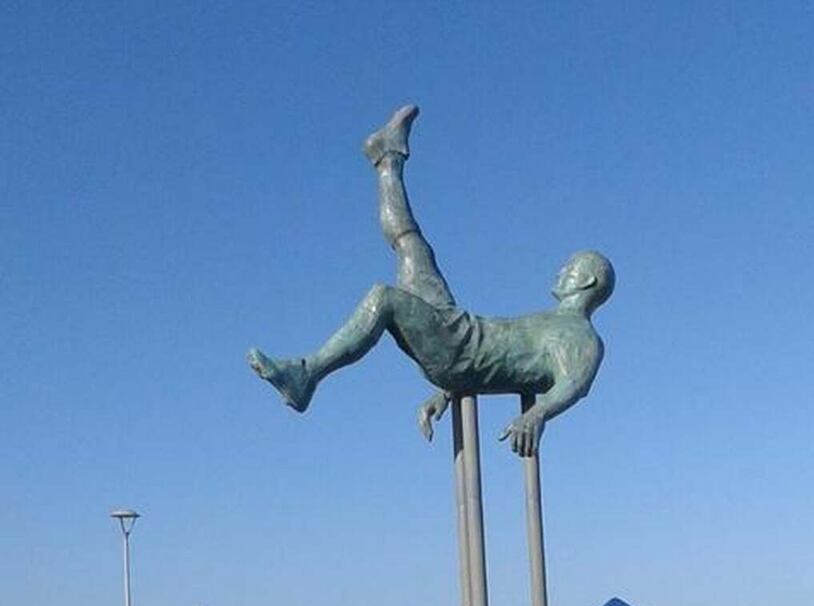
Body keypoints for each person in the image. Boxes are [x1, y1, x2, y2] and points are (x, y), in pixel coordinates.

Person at [248, 105, 614, 458]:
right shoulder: (550, 321)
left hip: (460, 349)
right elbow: (503, 367)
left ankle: (307, 375)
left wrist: (536, 414)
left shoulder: (581, 338)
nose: (560, 272)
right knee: (410, 245)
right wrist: (447, 393)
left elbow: (573, 385)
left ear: (589, 280)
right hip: (459, 332)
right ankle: (388, 157)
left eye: (570, 268)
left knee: (385, 298)